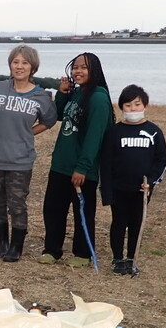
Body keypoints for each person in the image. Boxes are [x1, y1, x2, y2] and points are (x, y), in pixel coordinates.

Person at [0, 45, 58, 262]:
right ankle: (1, 242)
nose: (19, 66)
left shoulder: (41, 96)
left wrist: (28, 132)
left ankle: (16, 246)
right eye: (16, 62)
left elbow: (49, 121)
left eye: (24, 63)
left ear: (32, 67)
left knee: (17, 203)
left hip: (20, 159)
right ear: (10, 65)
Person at [40, 52, 113, 267]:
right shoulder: (78, 92)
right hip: (61, 163)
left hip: (82, 169)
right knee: (53, 209)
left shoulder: (99, 98)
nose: (77, 71)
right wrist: (62, 93)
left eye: (83, 67)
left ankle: (82, 253)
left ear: (94, 71)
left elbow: (95, 136)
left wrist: (83, 167)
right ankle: (52, 249)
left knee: (82, 210)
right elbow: (60, 114)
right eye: (75, 67)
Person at [100, 84, 166, 275]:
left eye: (137, 105)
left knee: (136, 222)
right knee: (119, 222)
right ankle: (117, 259)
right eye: (128, 105)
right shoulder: (114, 132)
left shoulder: (154, 131)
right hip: (118, 188)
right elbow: (105, 163)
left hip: (142, 189)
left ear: (145, 106)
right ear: (122, 107)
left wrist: (152, 181)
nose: (133, 109)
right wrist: (106, 191)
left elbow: (162, 160)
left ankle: (131, 258)